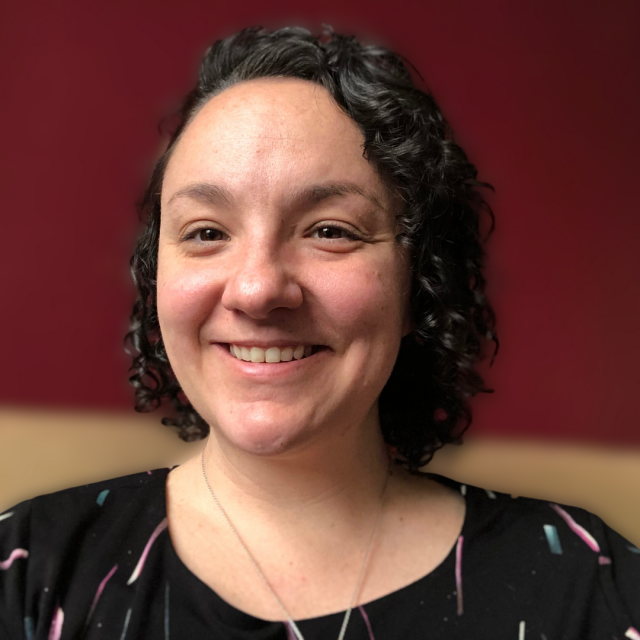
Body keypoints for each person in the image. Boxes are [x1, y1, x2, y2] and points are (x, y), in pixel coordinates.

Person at [1, 25, 638, 640]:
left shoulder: (590, 589)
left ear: (420, 280)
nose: (256, 289)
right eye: (207, 233)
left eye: (329, 230)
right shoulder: (27, 572)